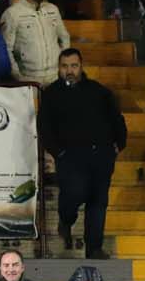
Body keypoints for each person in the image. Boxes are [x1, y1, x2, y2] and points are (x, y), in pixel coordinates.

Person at [37, 47, 127, 258]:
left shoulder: (99, 91)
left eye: (74, 66)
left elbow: (117, 119)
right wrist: (58, 153)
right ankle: (66, 220)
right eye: (65, 66)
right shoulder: (51, 94)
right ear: (59, 68)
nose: (70, 70)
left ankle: (94, 248)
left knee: (98, 202)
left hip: (101, 156)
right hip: (70, 158)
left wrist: (118, 144)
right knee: (74, 194)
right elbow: (45, 128)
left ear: (81, 67)